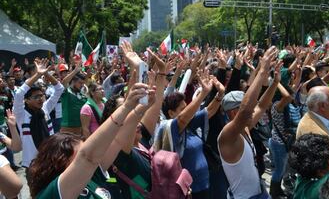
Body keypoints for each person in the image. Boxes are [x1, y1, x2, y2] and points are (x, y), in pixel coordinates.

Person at [28, 82, 155, 198]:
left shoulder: (91, 176)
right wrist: (125, 106)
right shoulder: (52, 193)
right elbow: (87, 157)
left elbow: (117, 140)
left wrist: (140, 108)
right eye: (80, 152)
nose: (93, 154)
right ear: (60, 160)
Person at [217, 46, 278, 199]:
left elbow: (262, 105)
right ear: (233, 112)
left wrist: (275, 82)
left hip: (259, 192)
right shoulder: (227, 136)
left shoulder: (246, 127)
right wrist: (262, 71)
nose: (252, 110)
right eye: (246, 106)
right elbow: (246, 111)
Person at [155, 71, 225, 199]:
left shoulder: (189, 125)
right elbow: (181, 119)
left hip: (205, 185)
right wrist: (203, 93)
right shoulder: (168, 129)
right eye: (183, 109)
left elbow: (209, 111)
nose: (189, 111)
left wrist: (220, 94)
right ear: (171, 113)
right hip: (189, 192)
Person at [13, 59, 64, 169]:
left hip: (50, 158)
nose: (40, 99)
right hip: (32, 164)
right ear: (26, 100)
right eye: (36, 97)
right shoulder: (21, 114)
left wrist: (46, 74)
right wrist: (38, 74)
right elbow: (19, 94)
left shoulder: (45, 109)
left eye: (41, 96)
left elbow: (59, 89)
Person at [60, 63, 87, 135]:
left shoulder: (83, 95)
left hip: (81, 128)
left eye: (83, 83)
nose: (82, 85)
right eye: (80, 83)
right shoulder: (66, 91)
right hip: (68, 128)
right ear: (73, 81)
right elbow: (64, 82)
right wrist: (75, 71)